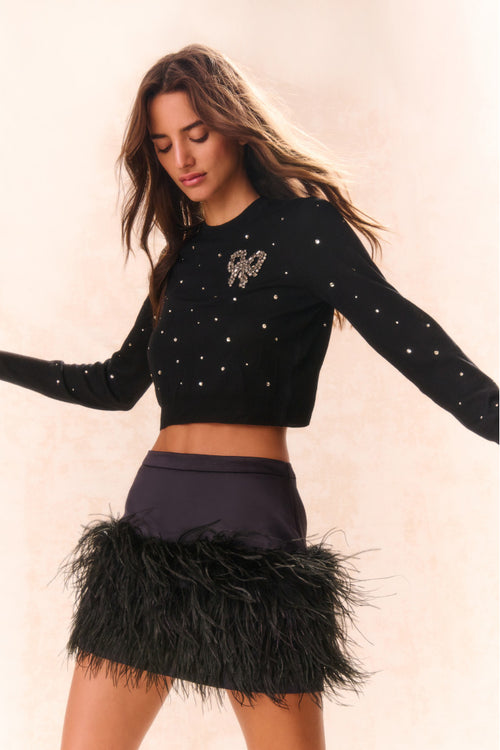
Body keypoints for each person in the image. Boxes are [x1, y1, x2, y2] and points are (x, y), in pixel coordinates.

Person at [0, 42, 498, 750]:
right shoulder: (182, 259)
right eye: (163, 145)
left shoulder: (304, 230)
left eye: (197, 134)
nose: (182, 158)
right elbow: (112, 385)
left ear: (234, 126)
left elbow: (413, 341)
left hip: (253, 526)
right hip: (152, 523)